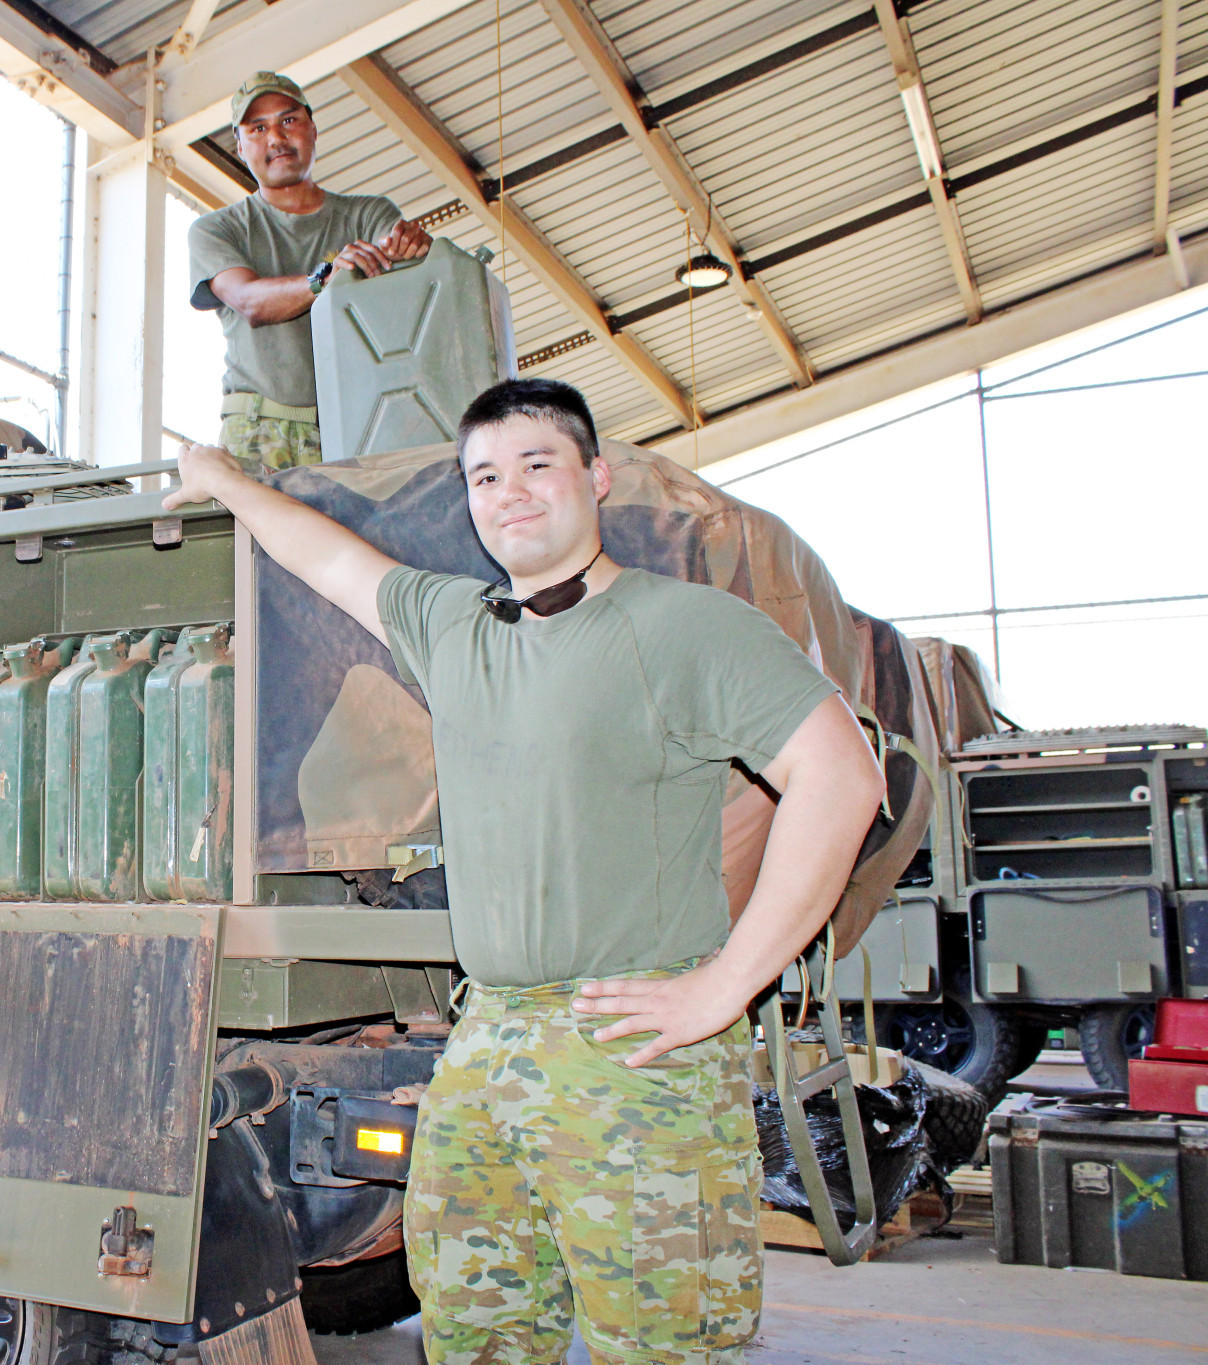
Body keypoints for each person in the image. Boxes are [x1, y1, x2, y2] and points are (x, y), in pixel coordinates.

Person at [163, 380, 883, 1363]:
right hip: (488, 1037)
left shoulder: (681, 628)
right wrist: (220, 480)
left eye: (536, 465)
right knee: (474, 1329)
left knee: (664, 1341)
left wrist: (726, 984)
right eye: (484, 476)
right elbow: (329, 559)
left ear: (596, 476)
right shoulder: (455, 626)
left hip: (632, 1049)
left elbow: (838, 776)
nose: (509, 493)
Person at [188, 71, 433, 470]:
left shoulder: (367, 214)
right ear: (240, 146)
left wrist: (410, 248)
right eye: (258, 128)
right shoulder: (218, 229)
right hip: (260, 431)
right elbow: (249, 302)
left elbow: (401, 264)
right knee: (258, 533)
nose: (276, 139)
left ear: (313, 129)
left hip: (361, 424)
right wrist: (324, 279)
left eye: (288, 121)